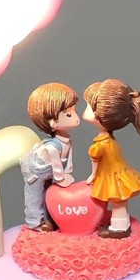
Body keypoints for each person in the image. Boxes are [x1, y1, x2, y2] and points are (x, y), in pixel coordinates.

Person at [83, 79, 140, 238]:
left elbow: (95, 163)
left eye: (88, 106)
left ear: (99, 114)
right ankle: (120, 225)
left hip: (113, 176)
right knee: (119, 201)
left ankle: (119, 228)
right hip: (118, 173)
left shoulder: (101, 145)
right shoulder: (108, 140)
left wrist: (93, 176)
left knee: (118, 202)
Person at [20, 83, 80, 231]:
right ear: (53, 122)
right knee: (34, 195)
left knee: (49, 193)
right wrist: (60, 177)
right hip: (35, 171)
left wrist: (68, 171)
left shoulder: (67, 140)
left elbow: (67, 160)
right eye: (69, 114)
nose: (76, 117)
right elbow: (56, 165)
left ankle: (50, 218)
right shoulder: (52, 146)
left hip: (49, 171)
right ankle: (34, 222)